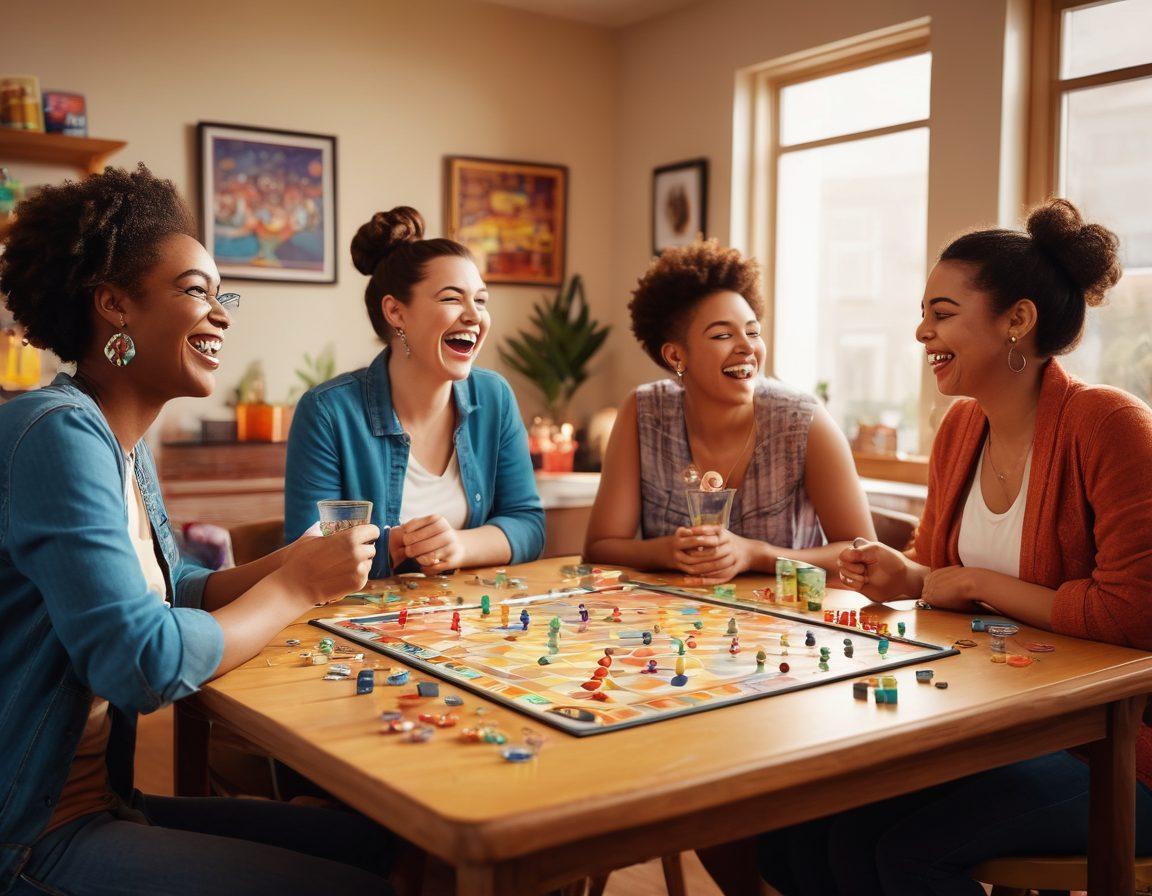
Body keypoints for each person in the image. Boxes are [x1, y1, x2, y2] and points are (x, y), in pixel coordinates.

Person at [0, 165, 393, 896]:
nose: (221, 314)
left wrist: (289, 560)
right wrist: (296, 588)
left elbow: (174, 587)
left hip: (103, 801)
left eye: (222, 294)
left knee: (379, 843)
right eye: (195, 292)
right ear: (114, 305)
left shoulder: (121, 442)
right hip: (31, 830)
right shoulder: (55, 435)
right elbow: (140, 661)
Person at [760, 199, 1152, 895]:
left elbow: (1131, 616)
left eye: (940, 314)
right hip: (1004, 725)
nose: (920, 331)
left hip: (1120, 752)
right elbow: (934, 573)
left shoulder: (1110, 425)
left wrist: (972, 584)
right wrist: (906, 576)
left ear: (1017, 320)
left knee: (909, 851)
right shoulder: (961, 427)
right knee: (810, 827)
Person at [584, 240, 874, 585]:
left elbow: (864, 557)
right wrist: (668, 551)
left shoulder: (803, 421)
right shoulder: (644, 412)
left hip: (787, 630)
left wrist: (755, 554)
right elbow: (599, 549)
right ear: (676, 357)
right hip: (676, 627)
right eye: (723, 334)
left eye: (753, 332)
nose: (748, 347)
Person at [284, 206, 544, 577]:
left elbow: (528, 524)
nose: (474, 315)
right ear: (395, 312)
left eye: (481, 300)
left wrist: (459, 545)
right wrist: (395, 546)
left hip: (467, 620)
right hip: (356, 626)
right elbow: (305, 553)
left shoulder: (494, 397)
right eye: (452, 298)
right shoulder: (328, 412)